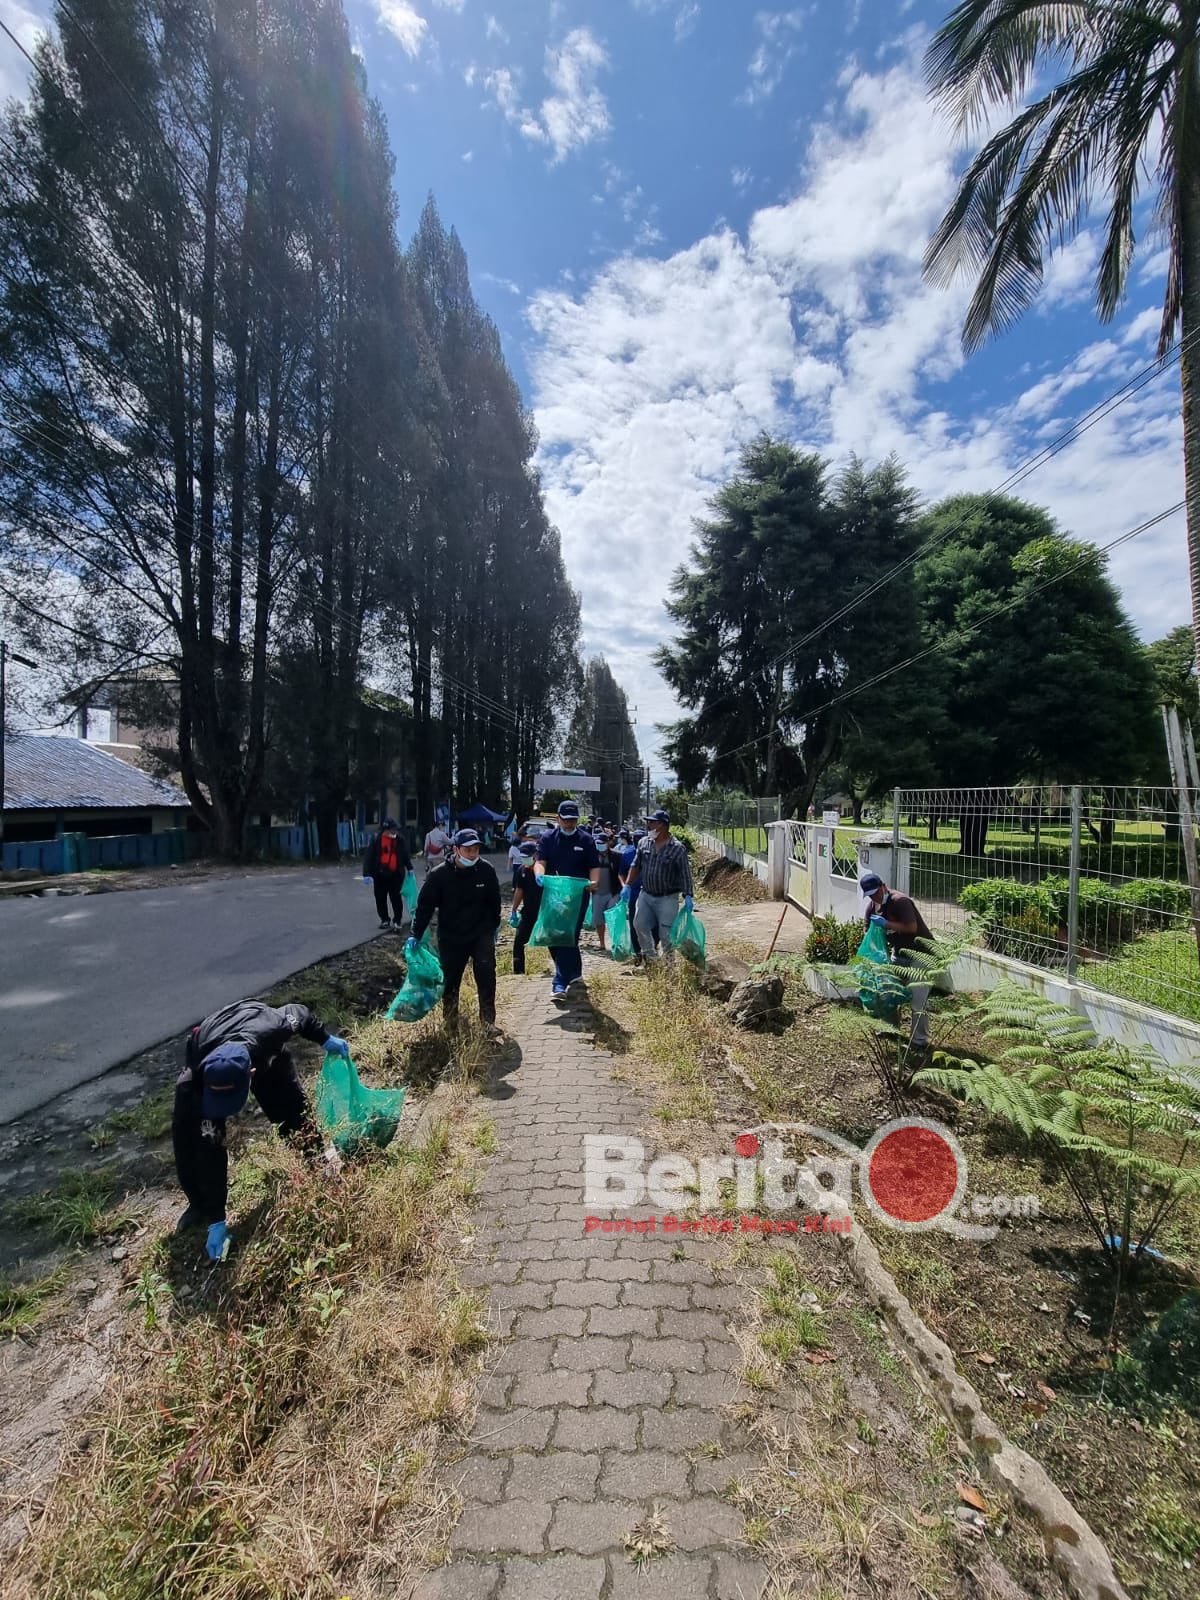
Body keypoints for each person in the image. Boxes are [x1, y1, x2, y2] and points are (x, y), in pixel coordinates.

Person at [172, 1000, 350, 1261]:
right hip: (210, 1049)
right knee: (189, 1137)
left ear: (251, 1074)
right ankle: (200, 1206)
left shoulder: (273, 1029)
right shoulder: (199, 1076)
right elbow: (210, 1151)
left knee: (293, 1111)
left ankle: (315, 1162)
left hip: (257, 1037)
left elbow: (299, 1012)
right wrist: (217, 1218)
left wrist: (324, 1039)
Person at [410, 827, 501, 1031]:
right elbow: (424, 907)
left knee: (486, 973)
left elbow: (494, 903)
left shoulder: (486, 871)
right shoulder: (439, 875)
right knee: (451, 981)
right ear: (457, 849)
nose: (473, 854)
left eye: (476, 849)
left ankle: (488, 1021)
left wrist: (493, 927)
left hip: (480, 933)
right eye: (468, 850)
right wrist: (415, 934)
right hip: (451, 936)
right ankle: (450, 1022)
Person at [534, 799, 601, 998]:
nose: (570, 824)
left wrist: (594, 882)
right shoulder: (548, 838)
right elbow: (540, 860)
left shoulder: (586, 840)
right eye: (566, 820)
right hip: (553, 895)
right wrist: (539, 874)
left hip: (577, 896)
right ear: (558, 818)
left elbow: (594, 866)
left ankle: (559, 983)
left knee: (567, 935)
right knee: (551, 936)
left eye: (573, 820)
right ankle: (574, 972)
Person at [859, 872, 933, 1048]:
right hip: (898, 954)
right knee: (886, 990)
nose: (875, 898)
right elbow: (867, 931)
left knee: (918, 999)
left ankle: (919, 1041)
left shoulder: (900, 901)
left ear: (883, 886)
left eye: (876, 893)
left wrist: (887, 924)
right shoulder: (871, 908)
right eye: (870, 896)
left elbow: (911, 927)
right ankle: (891, 1029)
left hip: (922, 955)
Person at [622, 809, 694, 965]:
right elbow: (635, 865)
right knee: (639, 924)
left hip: (667, 898)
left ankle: (669, 964)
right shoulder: (644, 843)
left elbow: (685, 873)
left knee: (666, 933)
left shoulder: (677, 848)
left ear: (662, 825)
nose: (649, 825)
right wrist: (627, 885)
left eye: (652, 822)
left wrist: (688, 894)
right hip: (646, 894)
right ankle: (651, 959)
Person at [362, 817, 412, 930]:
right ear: (386, 829)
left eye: (396, 829)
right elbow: (368, 857)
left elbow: (405, 855)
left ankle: (397, 921)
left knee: (396, 898)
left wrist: (410, 868)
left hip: (396, 875)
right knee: (380, 898)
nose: (395, 831)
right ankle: (385, 919)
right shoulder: (376, 839)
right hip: (380, 874)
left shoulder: (400, 840)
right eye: (393, 829)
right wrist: (366, 873)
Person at [509, 839, 543, 975]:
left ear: (535, 855)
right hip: (528, 912)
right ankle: (518, 972)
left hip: (544, 912)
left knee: (553, 943)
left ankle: (562, 971)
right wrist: (513, 910)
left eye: (527, 856)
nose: (525, 859)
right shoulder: (521, 871)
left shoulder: (544, 869)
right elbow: (519, 891)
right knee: (519, 942)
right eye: (522, 857)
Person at [591, 829, 623, 955]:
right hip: (597, 893)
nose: (600, 846)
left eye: (602, 843)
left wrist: (622, 890)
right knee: (599, 920)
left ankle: (616, 943)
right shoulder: (592, 856)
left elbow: (621, 873)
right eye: (598, 843)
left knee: (613, 919)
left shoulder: (617, 856)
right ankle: (602, 944)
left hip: (613, 892)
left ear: (608, 843)